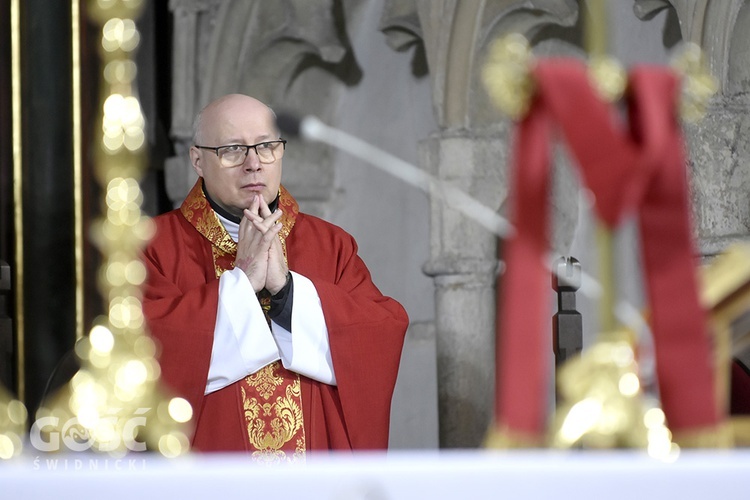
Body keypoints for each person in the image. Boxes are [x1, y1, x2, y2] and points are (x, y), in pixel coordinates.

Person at [141, 94, 409, 461]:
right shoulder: (151, 247)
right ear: (198, 160)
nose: (254, 164)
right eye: (232, 150)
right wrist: (241, 284)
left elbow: (381, 331)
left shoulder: (330, 245)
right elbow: (143, 354)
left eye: (266, 147)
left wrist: (288, 292)